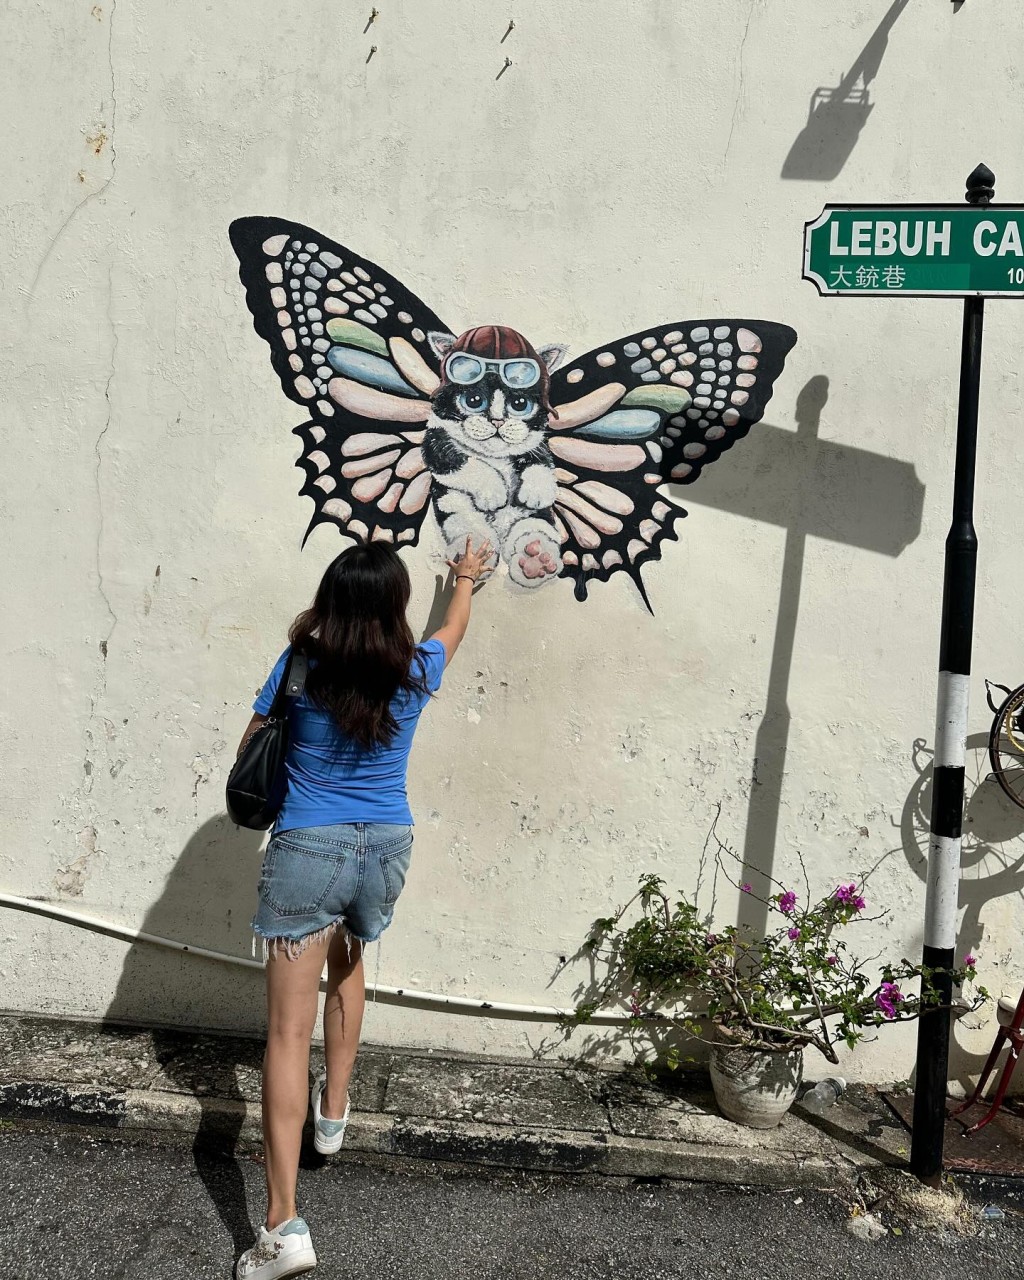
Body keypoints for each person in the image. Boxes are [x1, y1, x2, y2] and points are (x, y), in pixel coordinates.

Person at [234, 536, 493, 1279]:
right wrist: (467, 579)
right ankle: (335, 1111)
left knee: (286, 1034)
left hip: (308, 850)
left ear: (332, 598)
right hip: (385, 849)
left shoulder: (301, 665)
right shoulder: (414, 669)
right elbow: (454, 630)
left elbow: (254, 746)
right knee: (352, 957)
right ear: (394, 604)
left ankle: (282, 1229)